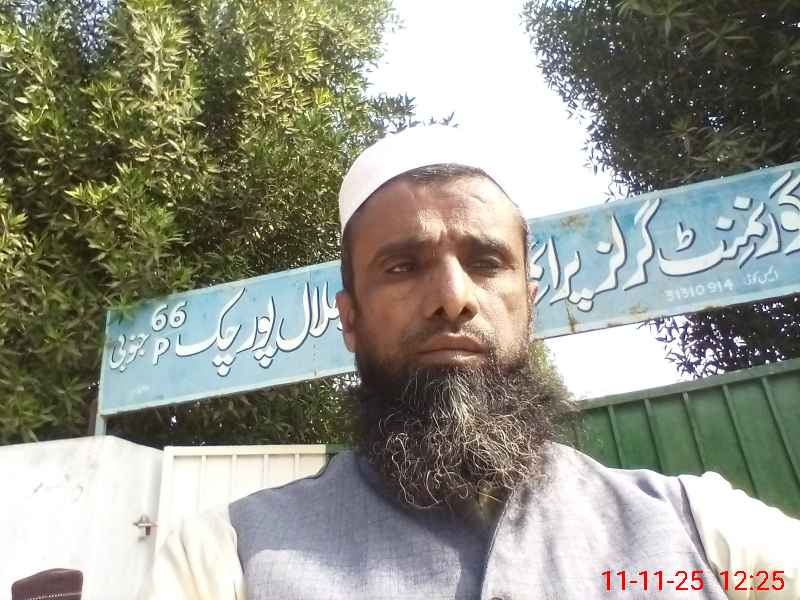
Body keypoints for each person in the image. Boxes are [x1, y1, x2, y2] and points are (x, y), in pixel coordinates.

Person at [140, 126, 799, 600]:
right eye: (403, 267)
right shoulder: (224, 559)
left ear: (530, 305)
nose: (453, 298)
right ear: (350, 319)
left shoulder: (703, 531)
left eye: (486, 261)